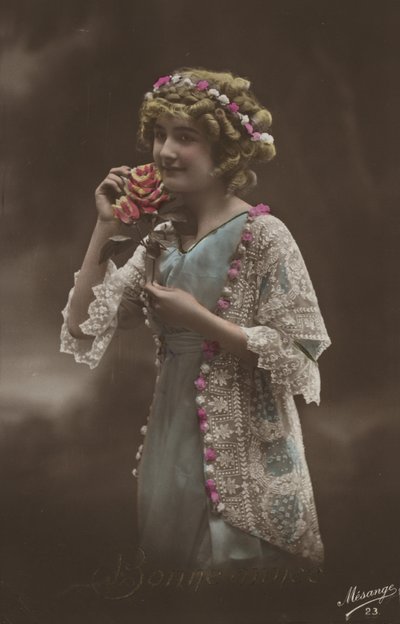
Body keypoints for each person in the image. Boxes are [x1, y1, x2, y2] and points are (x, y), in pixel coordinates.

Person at [60, 67, 331, 573]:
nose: (164, 151)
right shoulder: (162, 237)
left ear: (224, 152)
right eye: (159, 135)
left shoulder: (265, 235)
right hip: (171, 443)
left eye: (185, 137)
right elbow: (82, 326)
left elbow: (299, 358)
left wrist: (202, 322)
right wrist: (105, 227)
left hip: (249, 446)